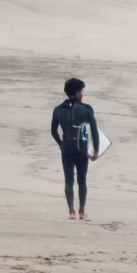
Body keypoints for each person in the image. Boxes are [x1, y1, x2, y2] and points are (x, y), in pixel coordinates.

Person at [50, 78, 101, 220]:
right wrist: (96, 149)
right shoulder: (86, 109)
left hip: (66, 146)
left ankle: (71, 211)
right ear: (78, 92)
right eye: (82, 91)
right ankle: (82, 212)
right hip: (81, 147)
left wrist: (60, 143)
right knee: (82, 179)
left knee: (68, 180)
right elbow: (94, 130)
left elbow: (53, 131)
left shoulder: (58, 110)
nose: (83, 94)